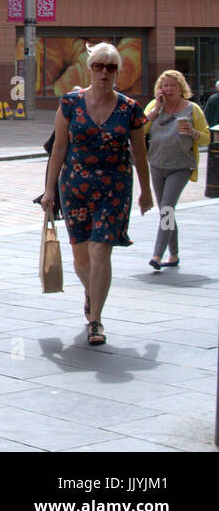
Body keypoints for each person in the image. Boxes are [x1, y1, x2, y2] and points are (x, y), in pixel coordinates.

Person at [42, 42, 153, 346]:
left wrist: (146, 192)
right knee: (81, 258)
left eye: (111, 67)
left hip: (114, 189)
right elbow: (59, 149)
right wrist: (49, 190)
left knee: (100, 250)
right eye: (99, 66)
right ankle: (92, 293)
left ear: (118, 72)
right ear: (90, 69)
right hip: (75, 187)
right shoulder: (69, 103)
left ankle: (96, 321)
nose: (104, 72)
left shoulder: (130, 109)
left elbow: (140, 155)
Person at [143, 70, 209, 271]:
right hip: (156, 164)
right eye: (165, 85)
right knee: (166, 210)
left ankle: (157, 253)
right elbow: (140, 128)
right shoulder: (155, 107)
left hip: (180, 166)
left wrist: (194, 133)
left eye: (173, 85)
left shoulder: (192, 109)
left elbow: (207, 137)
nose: (168, 89)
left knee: (167, 209)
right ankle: (174, 254)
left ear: (181, 88)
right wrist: (157, 109)